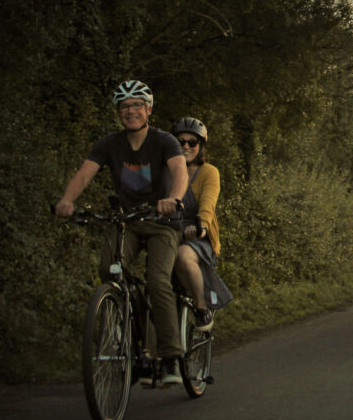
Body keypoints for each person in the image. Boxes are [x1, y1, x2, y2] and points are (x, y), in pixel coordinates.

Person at [55, 80, 188, 386]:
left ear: (148, 109)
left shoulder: (164, 141)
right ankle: (131, 329)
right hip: (127, 221)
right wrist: (67, 200)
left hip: (161, 223)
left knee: (157, 280)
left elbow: (179, 171)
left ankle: (169, 356)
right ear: (119, 113)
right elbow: (85, 173)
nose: (131, 111)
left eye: (137, 105)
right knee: (109, 270)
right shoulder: (109, 144)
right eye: (125, 107)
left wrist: (175, 198)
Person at [172, 117, 232, 331]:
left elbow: (208, 204)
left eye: (192, 143)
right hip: (169, 234)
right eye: (181, 142)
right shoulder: (167, 171)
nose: (186, 147)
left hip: (198, 236)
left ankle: (201, 308)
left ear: (200, 146)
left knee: (184, 256)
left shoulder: (209, 172)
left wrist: (201, 226)